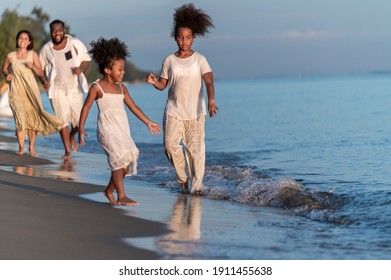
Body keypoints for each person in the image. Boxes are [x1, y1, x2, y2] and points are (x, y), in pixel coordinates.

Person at [146, 3, 218, 195]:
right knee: (170, 146)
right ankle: (183, 177)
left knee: (195, 152)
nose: (184, 41)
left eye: (188, 38)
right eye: (180, 37)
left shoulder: (200, 60)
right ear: (175, 37)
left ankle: (196, 189)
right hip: (174, 110)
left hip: (195, 112)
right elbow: (163, 85)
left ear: (193, 38)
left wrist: (211, 101)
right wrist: (154, 82)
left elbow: (209, 82)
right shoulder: (169, 60)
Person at [78, 37, 161, 206]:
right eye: (120, 69)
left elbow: (134, 107)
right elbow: (86, 107)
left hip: (122, 129)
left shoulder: (122, 88)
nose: (123, 72)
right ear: (108, 70)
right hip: (107, 130)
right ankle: (121, 195)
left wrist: (148, 122)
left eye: (123, 69)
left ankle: (109, 190)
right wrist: (81, 128)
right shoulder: (97, 87)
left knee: (124, 166)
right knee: (117, 159)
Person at [2, 30, 63, 156]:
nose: (22, 40)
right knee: (20, 119)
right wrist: (7, 75)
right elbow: (4, 68)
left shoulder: (33, 55)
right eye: (20, 38)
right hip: (16, 91)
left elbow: (41, 72)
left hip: (31, 91)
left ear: (29, 42)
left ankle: (32, 147)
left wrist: (33, 66)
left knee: (32, 119)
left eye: (25, 39)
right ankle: (21, 148)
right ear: (17, 40)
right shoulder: (10, 56)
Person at [39, 19, 91, 160]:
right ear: (51, 32)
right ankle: (67, 151)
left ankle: (71, 136)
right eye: (54, 30)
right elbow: (39, 67)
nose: (57, 33)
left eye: (59, 30)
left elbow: (86, 59)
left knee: (79, 121)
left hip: (74, 88)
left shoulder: (74, 43)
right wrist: (43, 81)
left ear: (64, 30)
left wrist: (81, 68)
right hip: (57, 90)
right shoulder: (46, 49)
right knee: (62, 120)